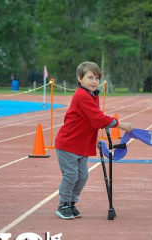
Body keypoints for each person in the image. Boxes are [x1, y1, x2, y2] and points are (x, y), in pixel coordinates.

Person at [54, 61, 133, 219]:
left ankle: (71, 202)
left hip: (82, 144)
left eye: (97, 78)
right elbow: (97, 119)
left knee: (82, 176)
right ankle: (63, 204)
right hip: (68, 143)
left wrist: (95, 136)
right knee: (71, 175)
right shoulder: (82, 96)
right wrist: (120, 124)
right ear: (79, 79)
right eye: (90, 77)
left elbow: (88, 120)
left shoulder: (92, 95)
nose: (94, 81)